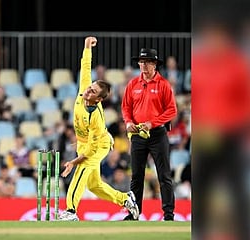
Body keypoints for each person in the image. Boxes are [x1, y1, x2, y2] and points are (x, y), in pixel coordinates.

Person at [58, 36, 139, 221]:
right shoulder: (83, 91)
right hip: (84, 144)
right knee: (94, 185)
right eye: (90, 87)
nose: (88, 91)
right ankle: (126, 199)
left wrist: (73, 162)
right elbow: (85, 67)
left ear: (99, 99)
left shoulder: (96, 118)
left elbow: (89, 153)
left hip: (98, 145)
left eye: (93, 91)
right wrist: (87, 46)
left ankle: (70, 211)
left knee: (80, 171)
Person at [121, 47, 178, 221]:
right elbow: (126, 107)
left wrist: (152, 123)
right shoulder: (132, 84)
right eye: (141, 62)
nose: (143, 65)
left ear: (154, 64)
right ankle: (134, 213)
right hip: (138, 134)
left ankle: (168, 214)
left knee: (164, 175)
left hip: (157, 134)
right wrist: (129, 122)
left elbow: (172, 110)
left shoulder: (163, 84)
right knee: (136, 176)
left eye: (147, 62)